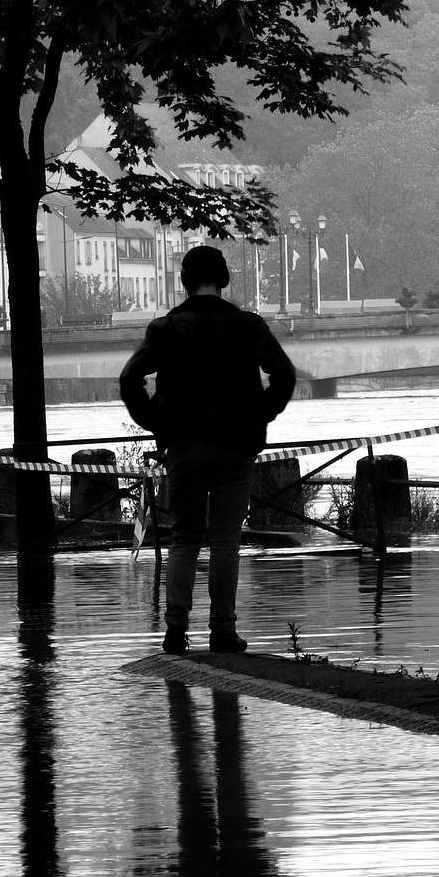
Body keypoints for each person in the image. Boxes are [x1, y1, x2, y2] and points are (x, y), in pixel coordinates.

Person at [120, 245, 297, 654]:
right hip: (236, 445)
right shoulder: (248, 326)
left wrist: (157, 421)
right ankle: (222, 630)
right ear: (224, 280)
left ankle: (176, 631)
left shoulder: (165, 329)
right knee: (225, 540)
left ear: (184, 282)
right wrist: (260, 415)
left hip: (184, 445)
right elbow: (284, 374)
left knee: (185, 539)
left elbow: (131, 378)